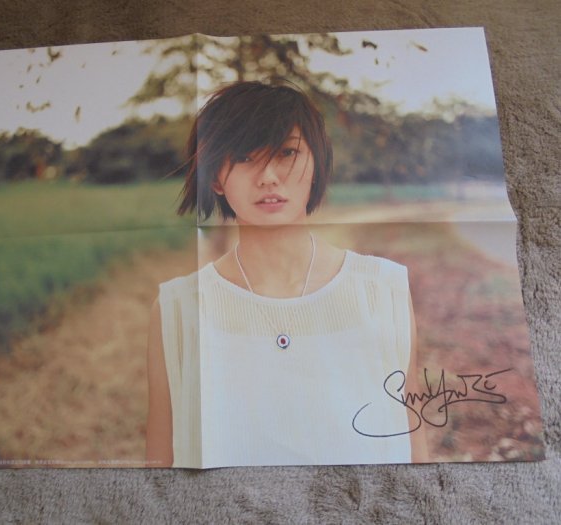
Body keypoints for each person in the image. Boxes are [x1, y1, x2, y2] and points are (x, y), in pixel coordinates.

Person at [145, 80, 428, 468]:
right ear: (215, 178)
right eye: (244, 156)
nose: (268, 176)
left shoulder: (382, 288)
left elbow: (412, 443)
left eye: (286, 152)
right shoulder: (178, 308)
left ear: (317, 164)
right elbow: (159, 467)